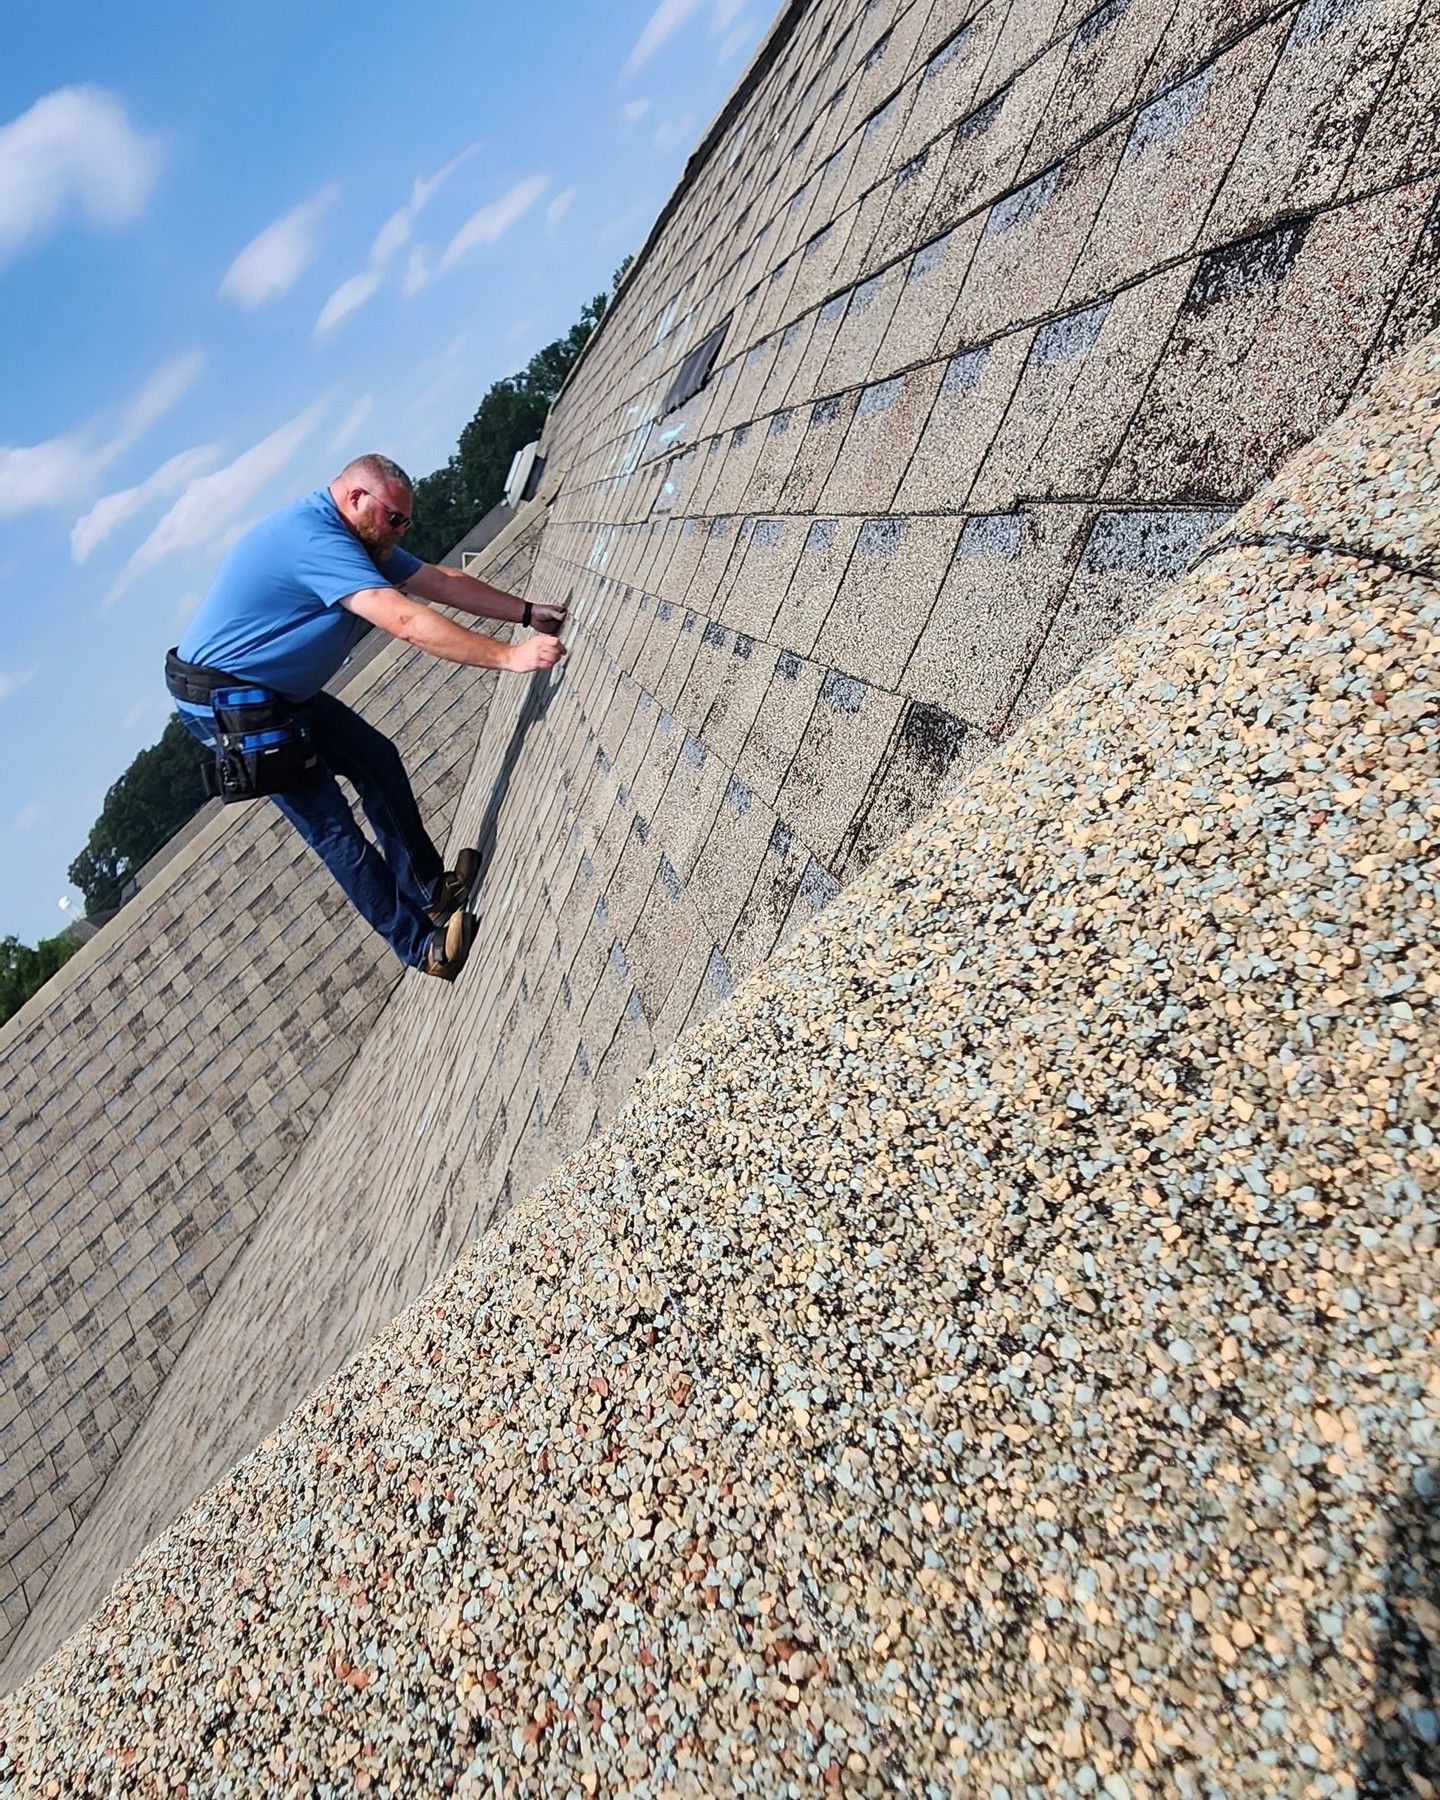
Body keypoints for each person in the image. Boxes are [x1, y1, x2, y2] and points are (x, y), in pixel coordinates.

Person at [167, 452, 565, 981]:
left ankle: (429, 893)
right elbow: (403, 620)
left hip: (277, 689)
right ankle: (421, 946)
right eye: (394, 519)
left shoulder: (364, 538)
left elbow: (440, 582)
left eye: (406, 522)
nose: (399, 531)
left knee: (376, 758)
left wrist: (524, 613)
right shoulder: (316, 540)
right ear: (356, 499)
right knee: (334, 828)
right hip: (230, 700)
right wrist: (508, 657)